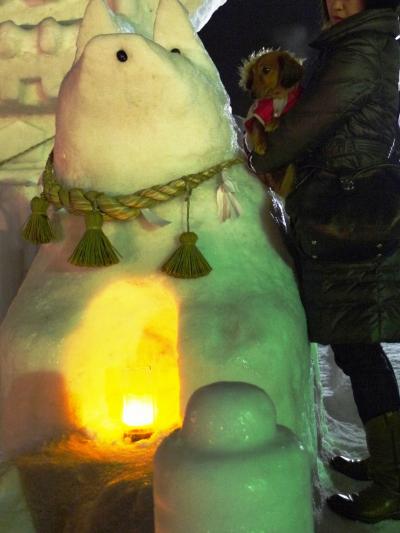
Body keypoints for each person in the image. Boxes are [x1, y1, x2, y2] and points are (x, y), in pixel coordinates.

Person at [249, 0, 400, 524]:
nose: (338, 1)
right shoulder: (347, 45)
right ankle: (391, 464)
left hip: (351, 211)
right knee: (360, 348)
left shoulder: (357, 51)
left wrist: (260, 153)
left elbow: (306, 126)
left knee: (360, 347)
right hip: (347, 206)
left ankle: (394, 484)